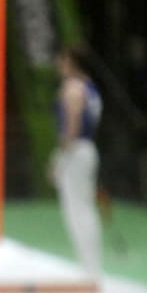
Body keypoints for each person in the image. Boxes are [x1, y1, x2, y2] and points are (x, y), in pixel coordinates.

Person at [50, 46, 103, 278]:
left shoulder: (72, 88)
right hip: (88, 149)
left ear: (71, 63)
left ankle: (89, 268)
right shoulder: (91, 88)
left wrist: (59, 157)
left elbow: (71, 126)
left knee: (76, 210)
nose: (58, 65)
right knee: (84, 208)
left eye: (62, 60)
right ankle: (90, 265)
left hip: (75, 151)